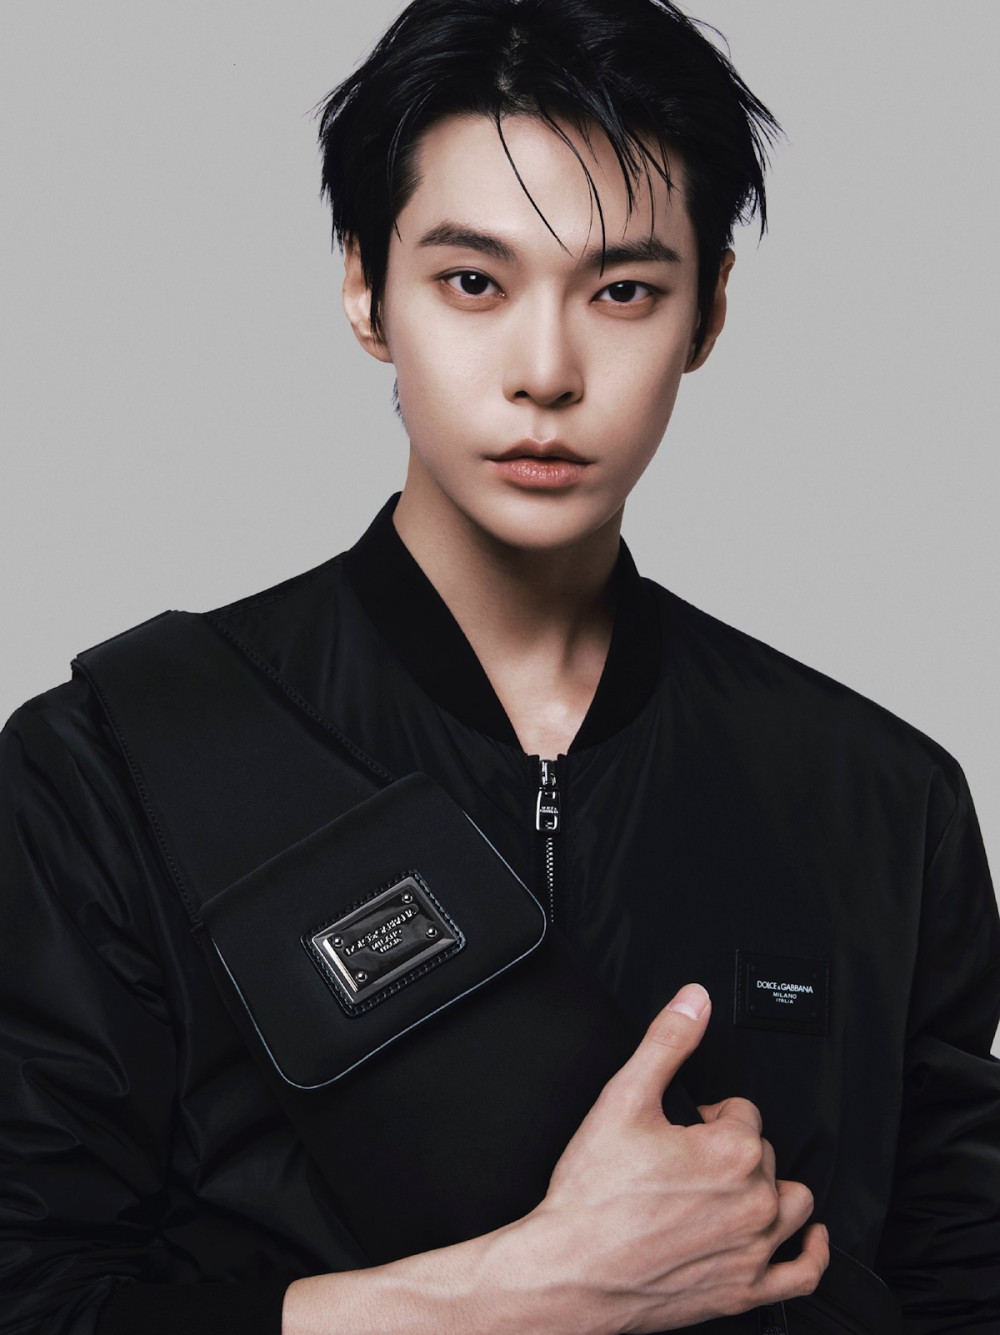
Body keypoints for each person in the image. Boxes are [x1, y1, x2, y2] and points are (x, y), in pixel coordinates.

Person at [1, 1, 998, 1332]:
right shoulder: (105, 769)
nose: (546, 371)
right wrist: (522, 1296)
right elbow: (32, 1297)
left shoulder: (885, 803)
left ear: (709, 312)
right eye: (474, 282)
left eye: (624, 291)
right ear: (366, 291)